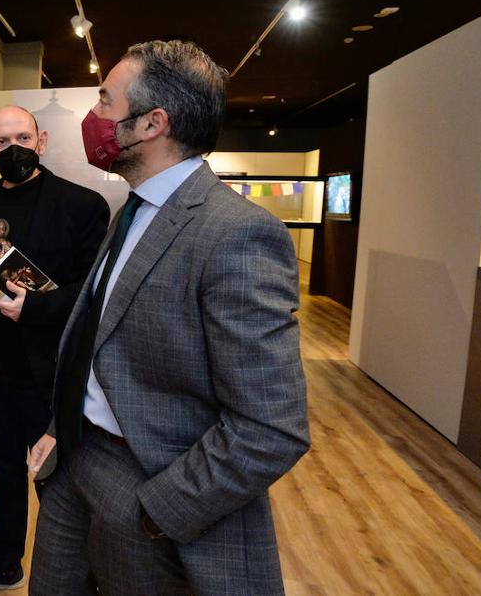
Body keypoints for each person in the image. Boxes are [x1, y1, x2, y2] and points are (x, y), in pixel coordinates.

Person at [26, 40, 309, 596]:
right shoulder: (130, 210)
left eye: (105, 102)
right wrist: (61, 427)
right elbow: (96, 339)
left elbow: (271, 427)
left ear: (152, 123)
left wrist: (157, 511)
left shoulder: (235, 234)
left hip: (147, 489)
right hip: (73, 464)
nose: (93, 118)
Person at [0, 105, 109, 596]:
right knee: (5, 465)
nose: (12, 148)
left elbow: (95, 291)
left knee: (59, 479)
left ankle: (78, 575)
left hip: (52, 368)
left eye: (21, 137)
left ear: (41, 140)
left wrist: (34, 309)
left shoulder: (81, 204)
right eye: (1, 141)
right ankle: (3, 560)